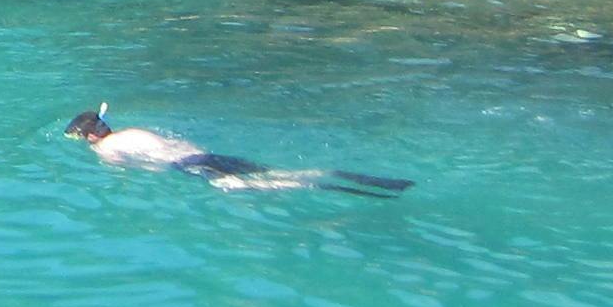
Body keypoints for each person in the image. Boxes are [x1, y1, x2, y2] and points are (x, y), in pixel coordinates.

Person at [63, 108, 408, 195]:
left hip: (188, 166)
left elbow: (145, 171)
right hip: (204, 153)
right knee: (267, 171)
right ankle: (332, 174)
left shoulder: (106, 150)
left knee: (250, 186)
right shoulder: (131, 130)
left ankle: (321, 183)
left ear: (91, 137)